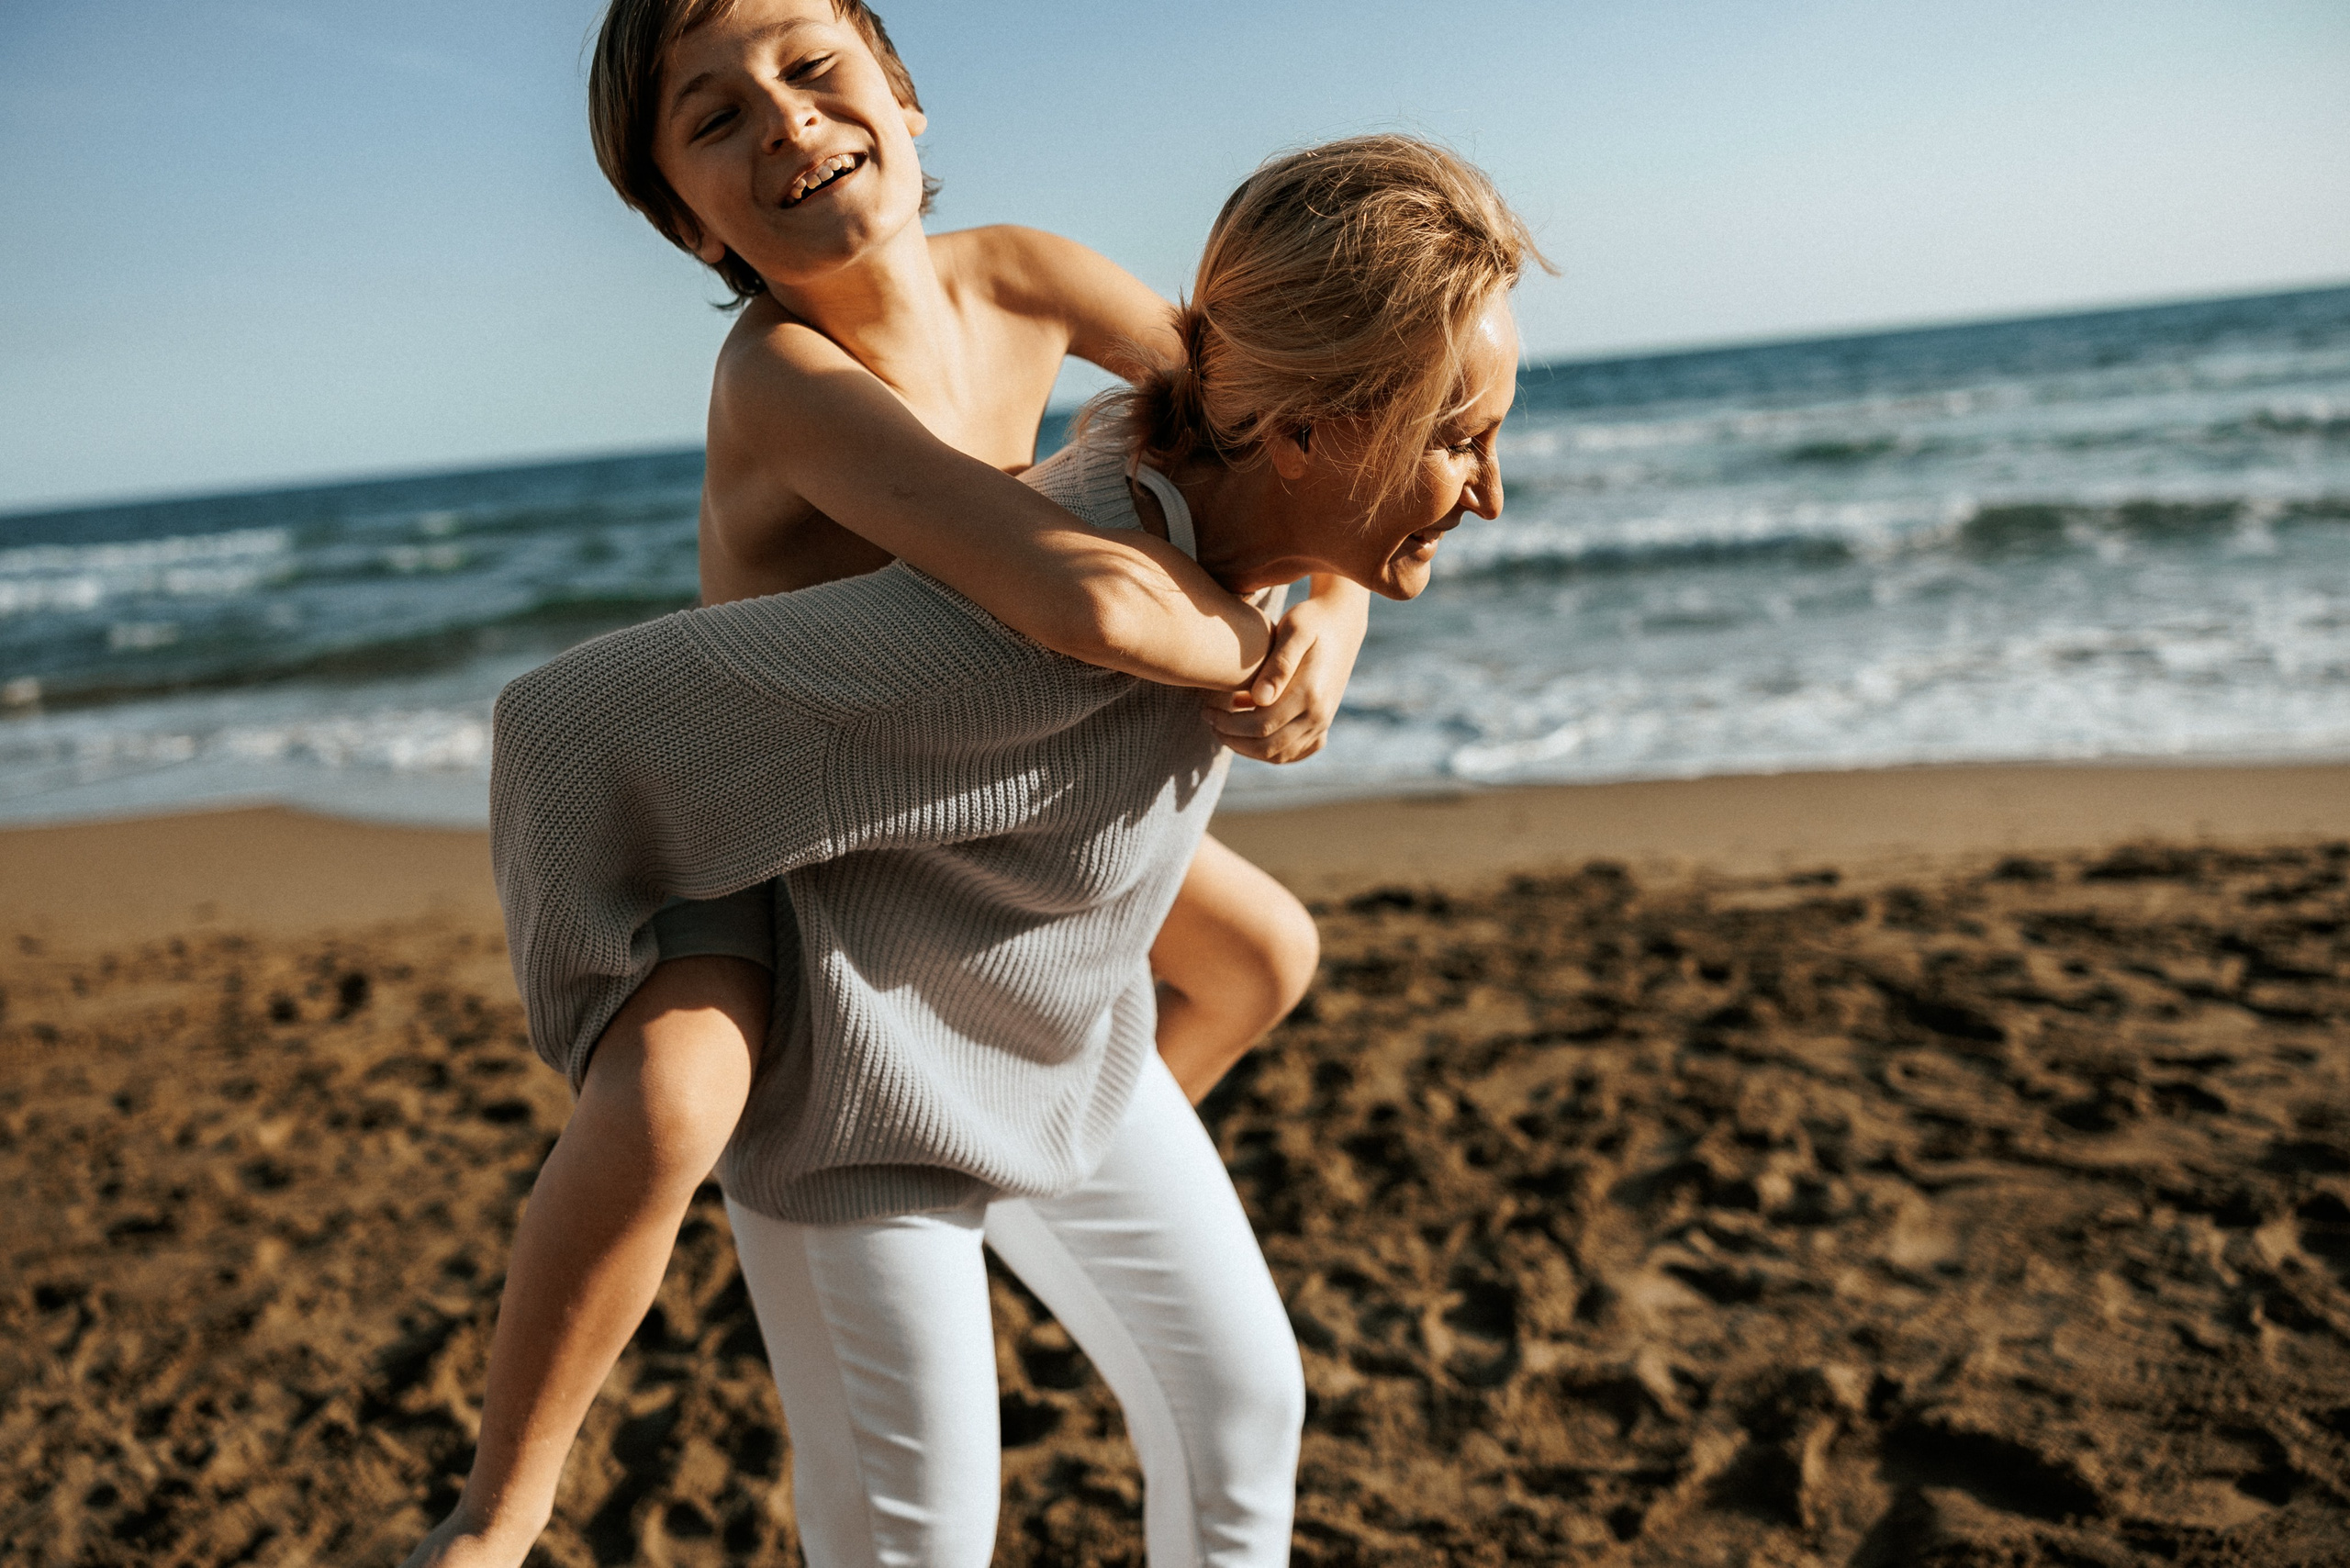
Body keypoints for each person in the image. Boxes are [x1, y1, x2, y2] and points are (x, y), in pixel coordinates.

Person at [460, 133, 1541, 1566]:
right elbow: (567, 726)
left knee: (1240, 1406)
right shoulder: (1025, 634)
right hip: (863, 1112)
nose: (1488, 491)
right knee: (928, 1546)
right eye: (1456, 439)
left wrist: (1320, 615)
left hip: (1066, 1037)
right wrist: (639, 989)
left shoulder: (1225, 480)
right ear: (1306, 432)